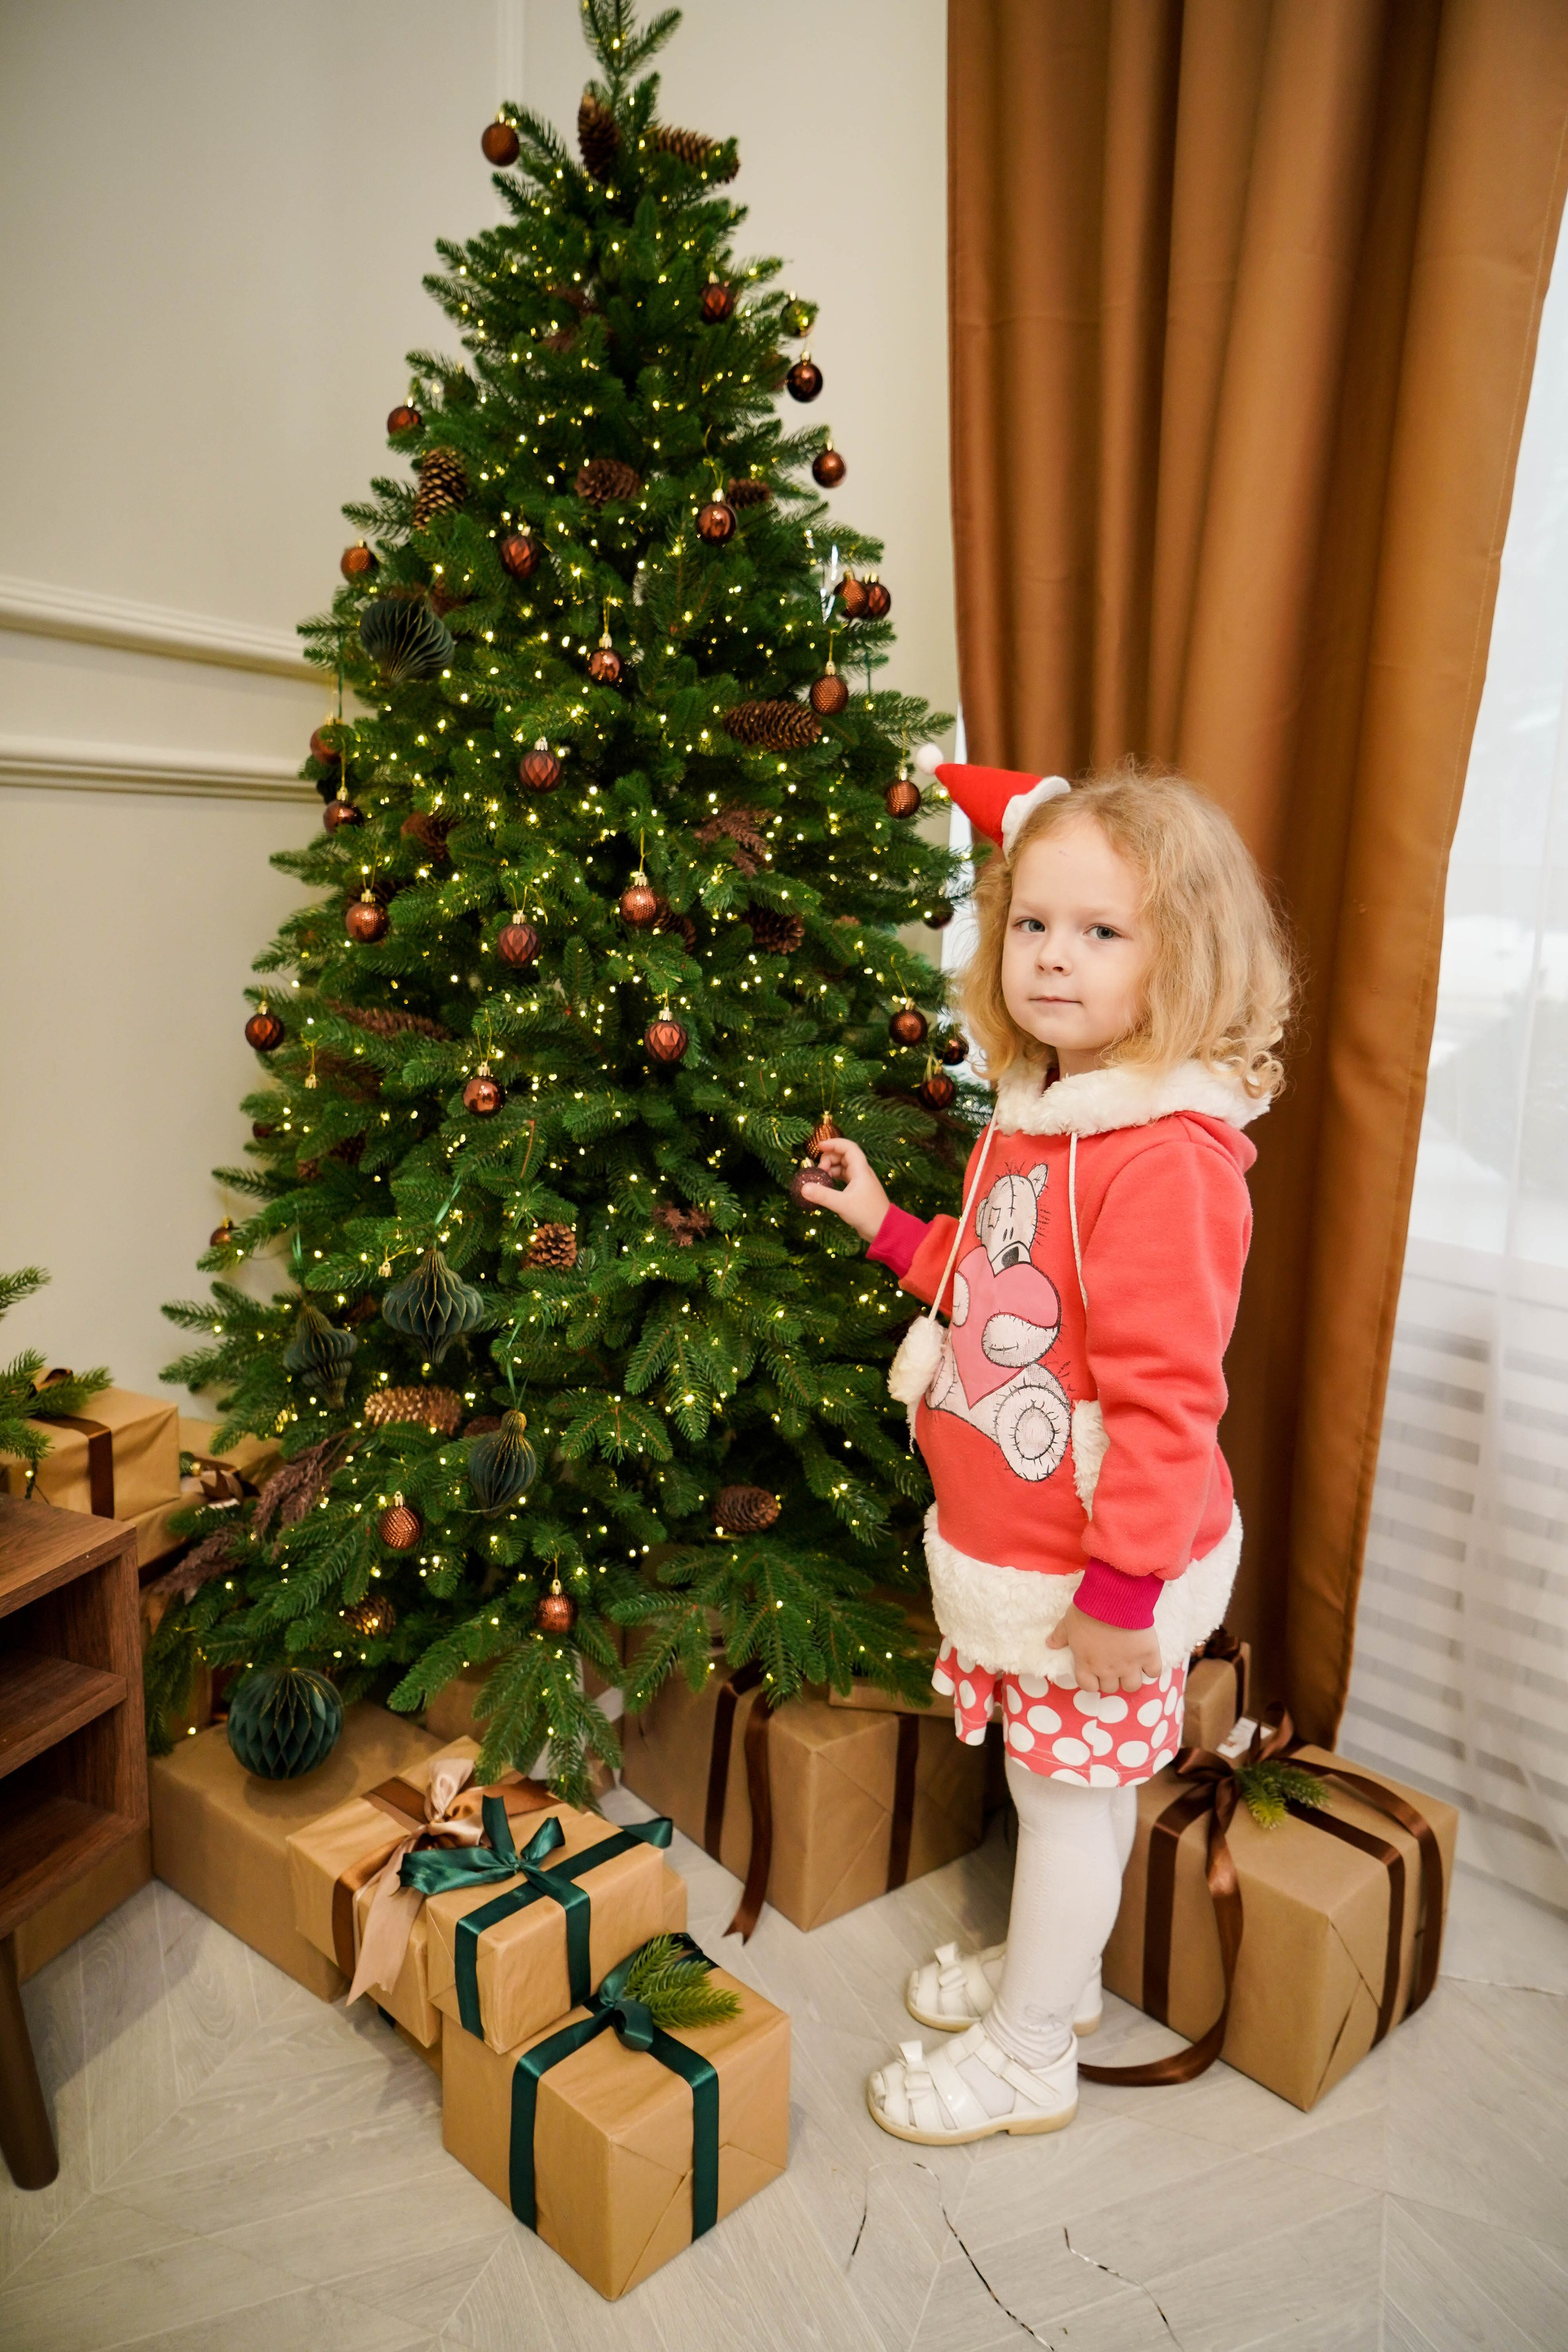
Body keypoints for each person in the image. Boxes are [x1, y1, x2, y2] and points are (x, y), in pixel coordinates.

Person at [810, 756, 1291, 2144]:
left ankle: (1029, 2051)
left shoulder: (1163, 1161)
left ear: (1182, 956)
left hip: (1093, 1580)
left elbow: (1162, 1403)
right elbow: (1009, 1293)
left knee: (1072, 1806)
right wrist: (889, 1228)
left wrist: (1123, 1595)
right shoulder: (1042, 1115)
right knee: (1046, 1786)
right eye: (1031, 924)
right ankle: (1052, 1978)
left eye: (1100, 932)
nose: (1051, 958)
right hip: (1013, 1559)